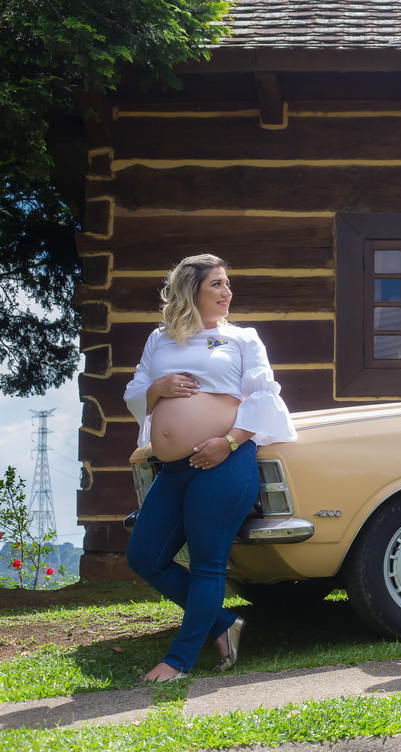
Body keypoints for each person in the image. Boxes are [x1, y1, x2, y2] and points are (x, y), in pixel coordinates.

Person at [124, 254, 298, 683]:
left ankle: (179, 661)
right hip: (175, 470)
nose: (227, 293)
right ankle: (222, 623)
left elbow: (263, 396)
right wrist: (157, 389)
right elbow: (134, 391)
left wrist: (229, 442)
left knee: (206, 564)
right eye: (216, 285)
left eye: (227, 284)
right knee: (144, 557)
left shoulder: (243, 339)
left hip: (223, 462)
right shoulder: (159, 340)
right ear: (191, 291)